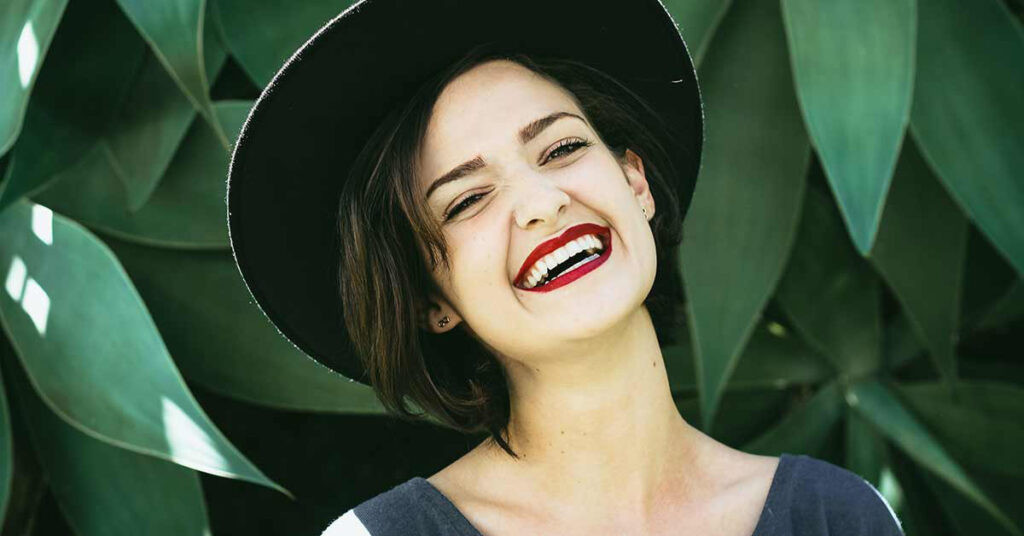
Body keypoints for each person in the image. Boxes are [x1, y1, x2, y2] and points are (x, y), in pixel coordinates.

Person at [226, 1, 905, 535]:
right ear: (429, 297)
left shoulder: (837, 518)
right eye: (467, 199)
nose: (542, 202)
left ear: (634, 182)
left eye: (562, 148)